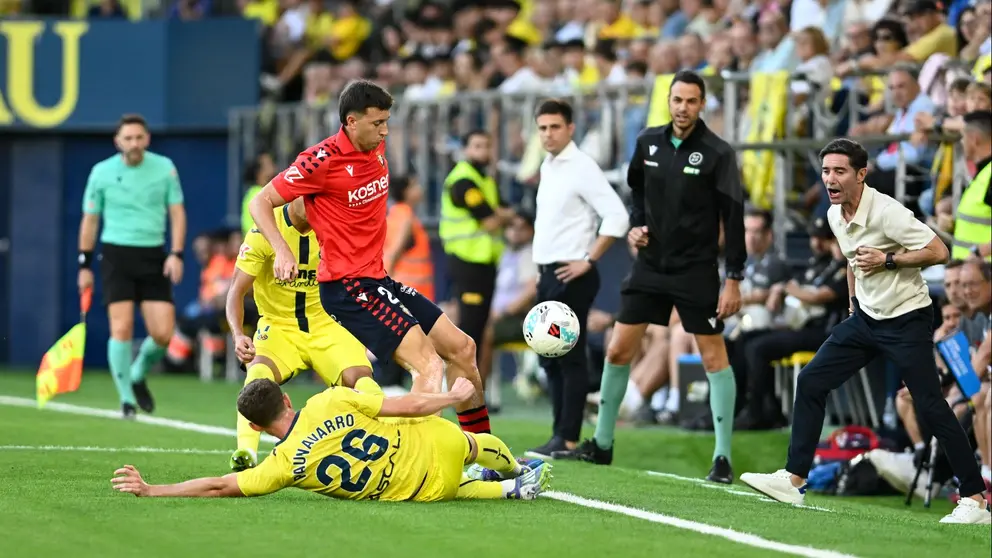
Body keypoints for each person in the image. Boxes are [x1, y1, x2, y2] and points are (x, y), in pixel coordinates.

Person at [740, 138, 991, 525]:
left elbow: (939, 251)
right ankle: (793, 480)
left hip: (907, 318)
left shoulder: (888, 212)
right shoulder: (834, 215)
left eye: (839, 171)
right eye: (826, 171)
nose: (830, 179)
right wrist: (854, 303)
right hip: (866, 319)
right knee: (811, 381)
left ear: (861, 174)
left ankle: (974, 499)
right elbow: (852, 260)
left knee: (930, 405)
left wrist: (889, 260)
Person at [248, 80, 493, 435]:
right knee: (428, 365)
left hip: (377, 279)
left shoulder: (375, 147)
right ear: (351, 121)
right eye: (377, 123)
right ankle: (419, 457)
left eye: (387, 121)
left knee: (463, 348)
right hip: (347, 286)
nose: (385, 131)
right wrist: (283, 250)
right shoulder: (320, 160)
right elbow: (261, 201)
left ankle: (483, 451)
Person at [554, 70, 745, 485]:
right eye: (677, 100)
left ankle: (722, 457)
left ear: (702, 104)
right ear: (669, 101)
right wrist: (637, 226)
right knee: (618, 350)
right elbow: (637, 193)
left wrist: (733, 278)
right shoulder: (647, 142)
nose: (683, 108)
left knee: (714, 357)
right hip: (650, 267)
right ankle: (602, 443)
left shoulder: (719, 153)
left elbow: (734, 218)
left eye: (691, 101)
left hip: (696, 270)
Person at [110, 377, 553, 501]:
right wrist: (452, 397)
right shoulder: (330, 399)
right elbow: (407, 404)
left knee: (449, 486)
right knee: (469, 445)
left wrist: (153, 489)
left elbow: (219, 485)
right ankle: (514, 469)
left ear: (258, 428)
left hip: (418, 490)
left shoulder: (282, 466)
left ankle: (508, 490)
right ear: (286, 399)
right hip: (435, 444)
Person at [225, 197, 375, 472]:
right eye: (309, 197)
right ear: (292, 195)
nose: (316, 205)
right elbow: (236, 291)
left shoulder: (335, 227)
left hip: (328, 325)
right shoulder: (263, 231)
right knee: (258, 375)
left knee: (362, 381)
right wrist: (238, 335)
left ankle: (386, 447)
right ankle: (246, 452)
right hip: (279, 327)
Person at [525, 98, 629, 459]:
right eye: (542, 128)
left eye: (555, 127)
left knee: (568, 356)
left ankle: (567, 438)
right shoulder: (549, 165)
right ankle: (559, 434)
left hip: (571, 274)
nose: (548, 134)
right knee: (549, 357)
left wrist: (588, 259)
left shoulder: (582, 166)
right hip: (549, 273)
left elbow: (617, 216)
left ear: (570, 128)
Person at [77, 113, 186, 419]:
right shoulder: (101, 172)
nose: (134, 143)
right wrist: (84, 263)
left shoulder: (165, 168)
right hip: (116, 255)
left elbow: (177, 213)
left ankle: (138, 373)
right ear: (118, 142)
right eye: (128, 138)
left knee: (163, 334)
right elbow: (90, 220)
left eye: (139, 137)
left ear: (147, 139)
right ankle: (126, 400)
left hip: (153, 254)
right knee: (121, 328)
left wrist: (176, 253)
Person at [440, 130, 514, 368]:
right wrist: (500, 215)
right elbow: (491, 221)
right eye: (477, 146)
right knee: (470, 327)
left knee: (480, 328)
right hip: (467, 261)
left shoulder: (485, 180)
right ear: (466, 150)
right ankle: (460, 382)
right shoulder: (463, 181)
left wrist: (500, 215)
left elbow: (507, 213)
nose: (483, 151)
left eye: (487, 146)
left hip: (485, 263)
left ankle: (473, 384)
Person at [385, 174, 435, 301]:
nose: (420, 189)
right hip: (411, 288)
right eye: (414, 186)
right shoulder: (405, 218)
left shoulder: (396, 213)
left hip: (408, 288)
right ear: (405, 192)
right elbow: (395, 251)